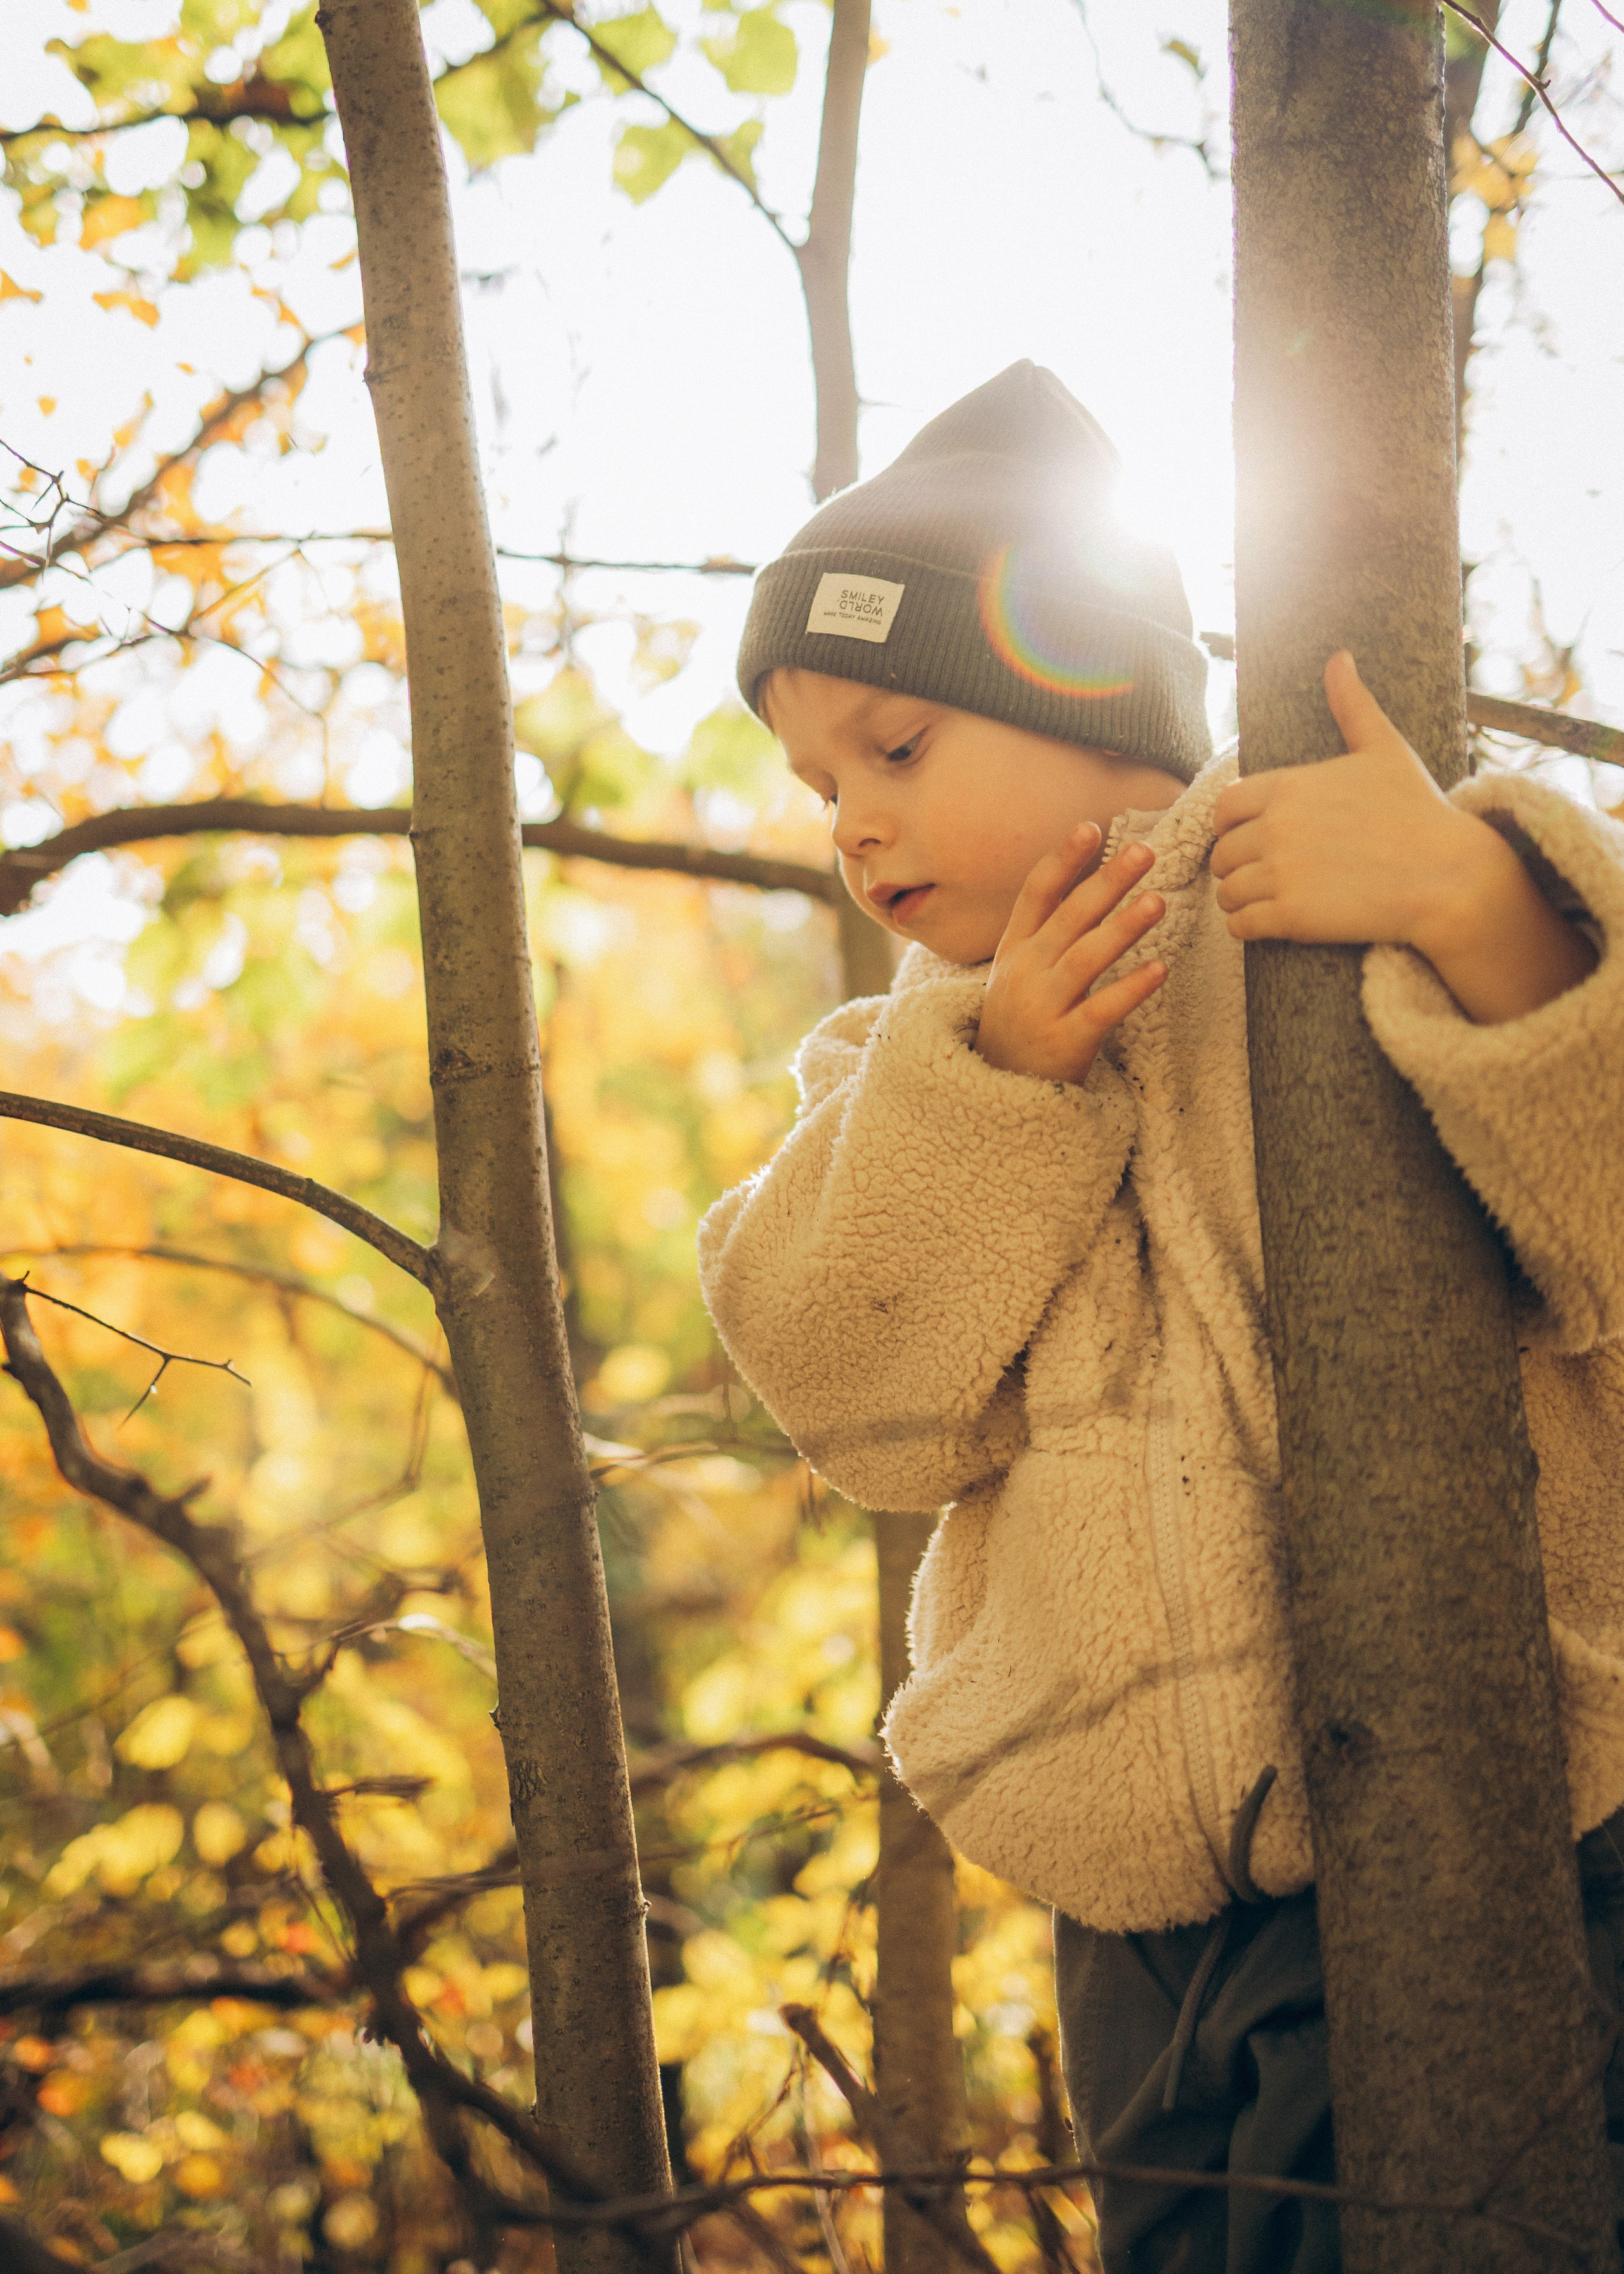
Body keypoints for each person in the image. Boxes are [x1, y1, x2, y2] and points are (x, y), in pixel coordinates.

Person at [696, 361, 1624, 2271]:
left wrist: (1480, 908)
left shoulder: (1332, 885)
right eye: (818, 790)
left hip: (1499, 1829)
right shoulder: (907, 1063)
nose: (854, 827)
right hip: (1128, 1906)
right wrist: (995, 1079)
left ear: (1090, 699)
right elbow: (848, 1394)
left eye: (895, 748)